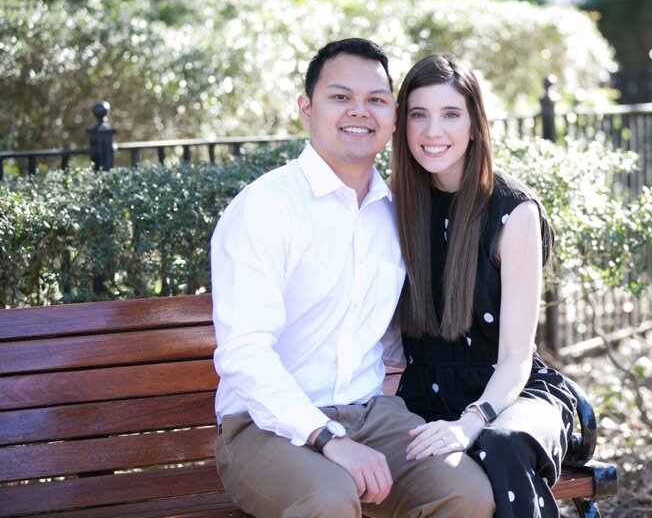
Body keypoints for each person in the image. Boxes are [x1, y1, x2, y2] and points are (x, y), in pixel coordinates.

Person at [210, 39, 495, 518]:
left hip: (372, 416)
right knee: (329, 500)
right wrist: (327, 438)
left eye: (376, 100)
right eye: (340, 97)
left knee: (466, 493)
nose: (358, 112)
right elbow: (243, 352)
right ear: (307, 107)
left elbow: (389, 335)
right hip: (265, 426)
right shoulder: (267, 207)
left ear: (394, 114)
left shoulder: (397, 212)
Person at [390, 53, 579, 518]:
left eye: (451, 114)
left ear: (475, 125)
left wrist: (469, 423)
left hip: (508, 396)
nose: (434, 131)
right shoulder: (392, 205)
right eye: (419, 115)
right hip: (422, 395)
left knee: (499, 444)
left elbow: (516, 357)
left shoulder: (514, 212)